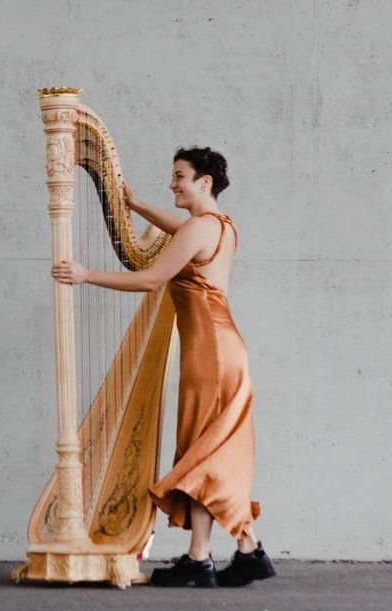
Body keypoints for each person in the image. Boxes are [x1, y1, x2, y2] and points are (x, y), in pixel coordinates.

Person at [51, 146, 276, 587]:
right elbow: (179, 231)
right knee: (208, 448)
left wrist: (85, 274)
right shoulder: (222, 226)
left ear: (204, 182)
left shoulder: (197, 230)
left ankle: (209, 556)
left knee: (202, 449)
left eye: (179, 176)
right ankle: (237, 551)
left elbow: (152, 279)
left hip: (209, 352)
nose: (172, 183)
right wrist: (135, 206)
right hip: (224, 347)